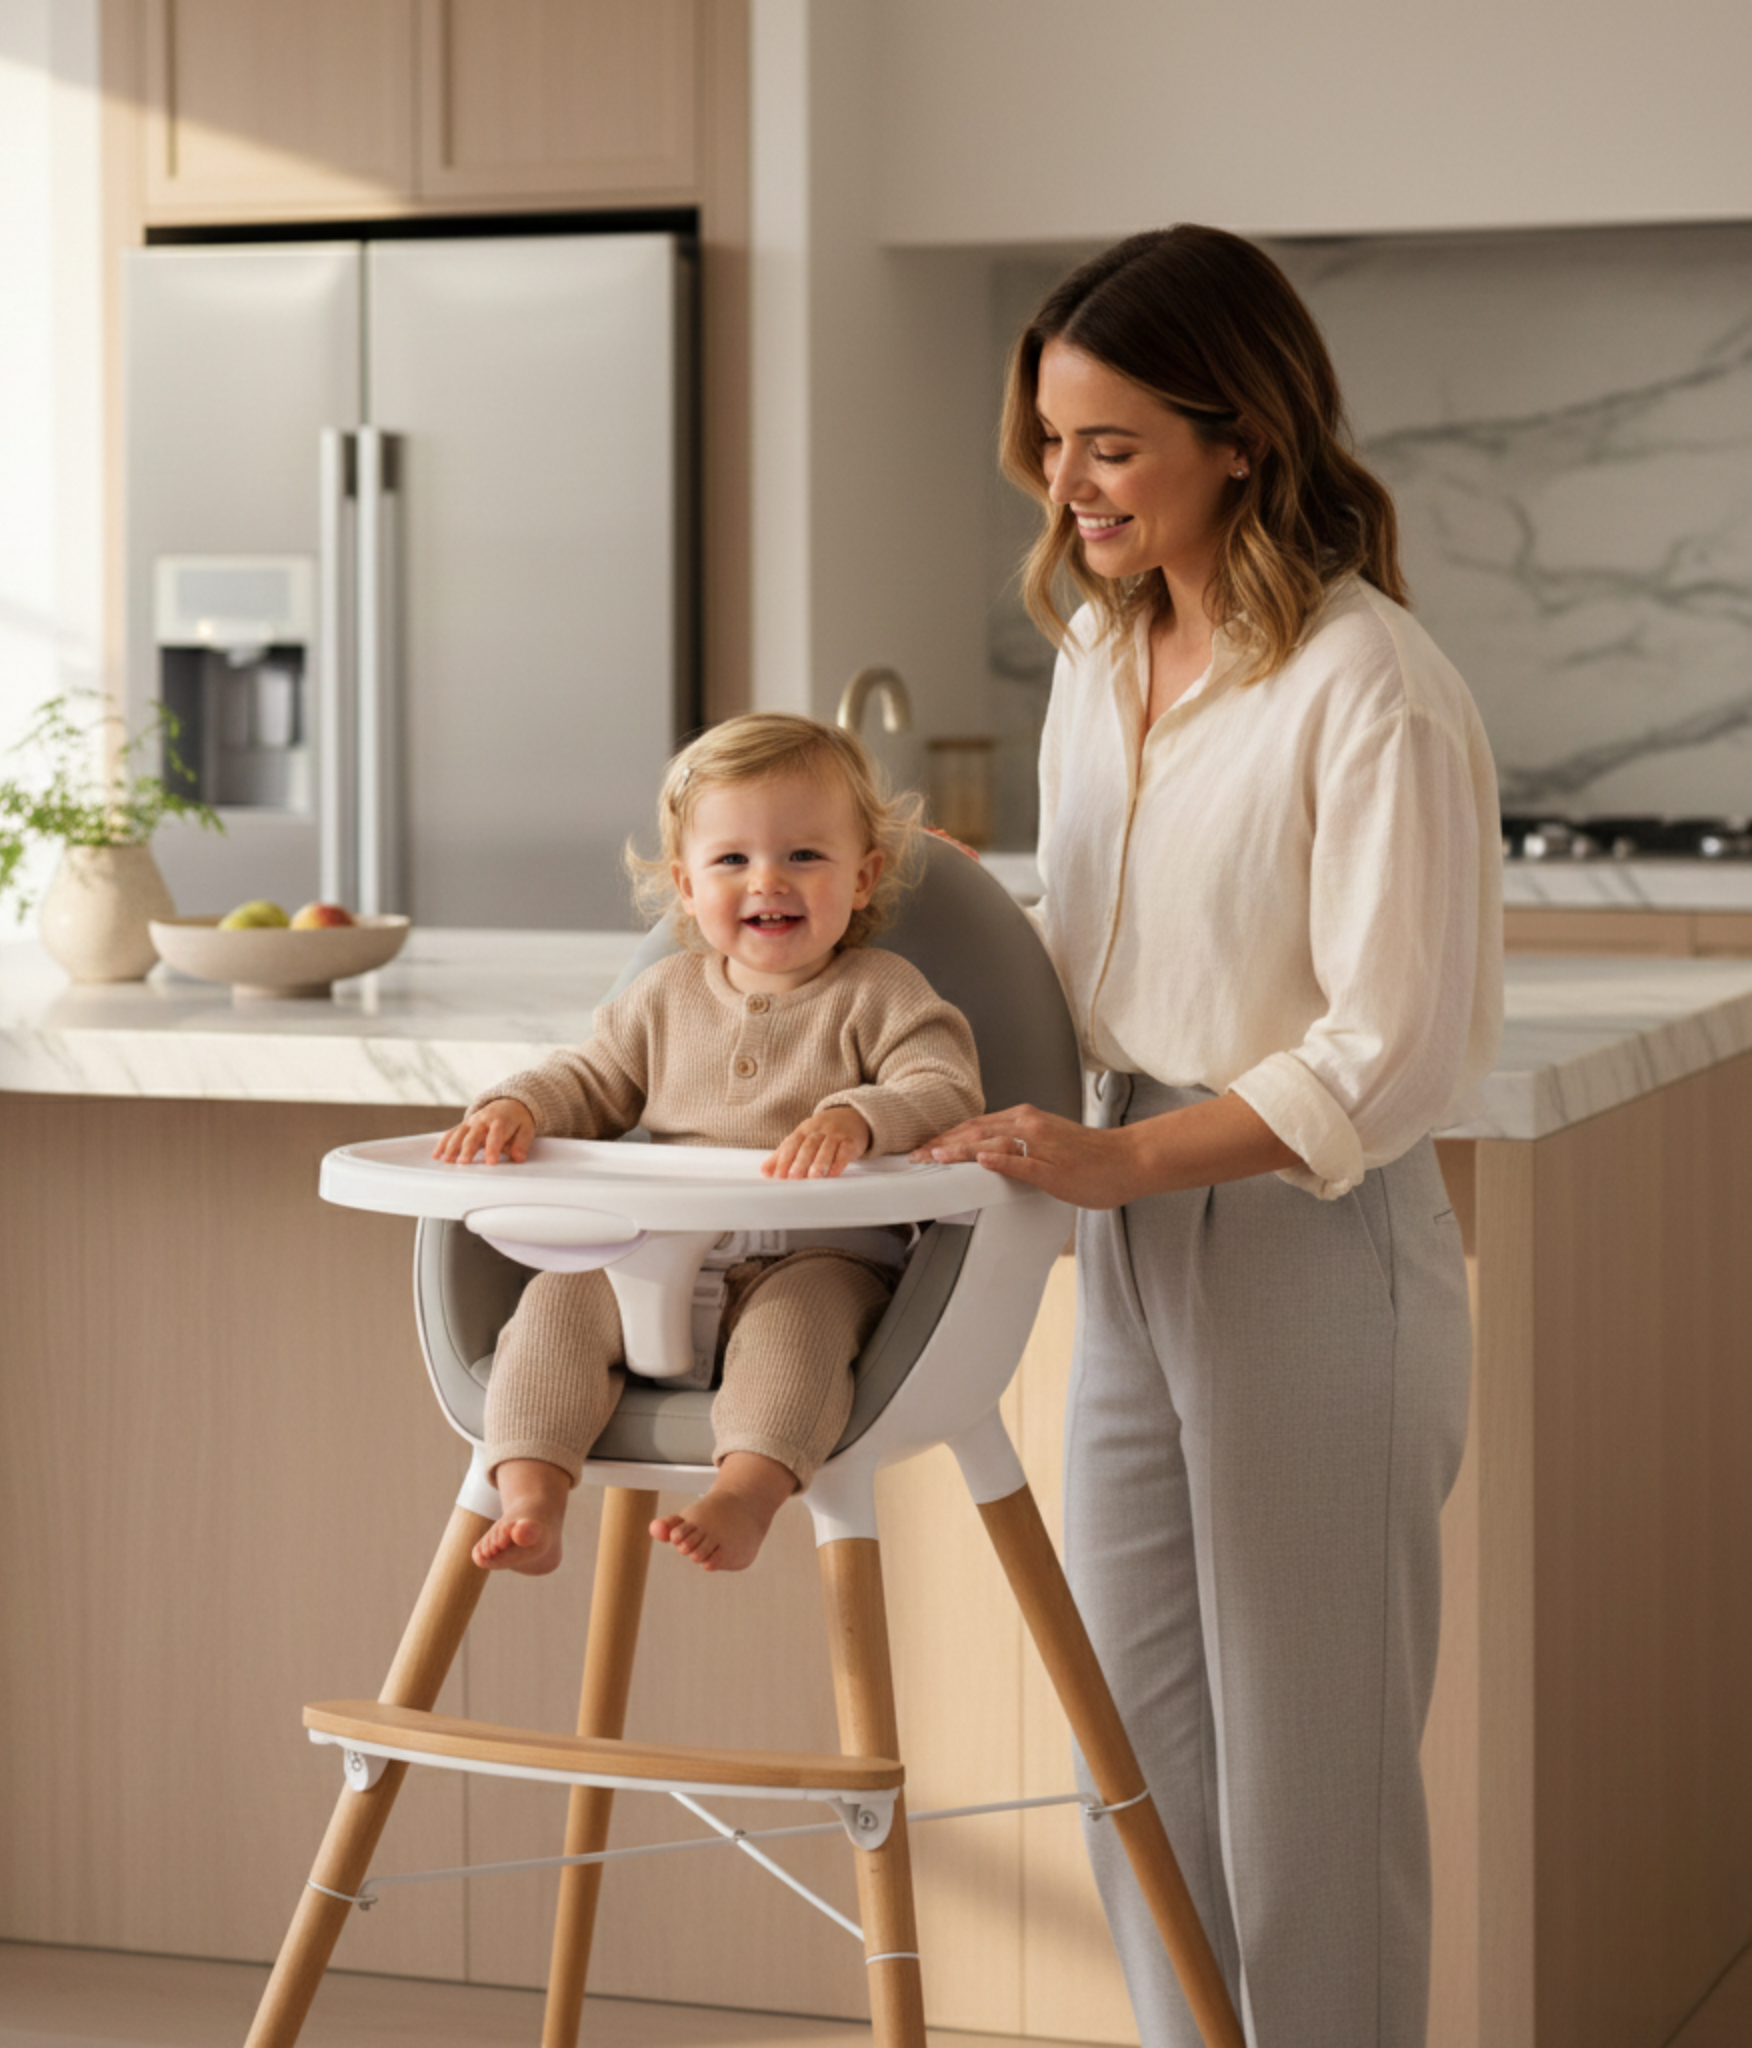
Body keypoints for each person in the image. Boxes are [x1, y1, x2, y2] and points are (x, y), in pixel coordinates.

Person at [916, 225, 1503, 2048]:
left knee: (1308, 1783)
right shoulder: (1101, 656)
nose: (1068, 485)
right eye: (1051, 441)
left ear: (1237, 433)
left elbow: (1391, 1043)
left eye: (1111, 444)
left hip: (1299, 1234)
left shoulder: (1366, 681)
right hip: (1121, 1220)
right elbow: (1101, 937)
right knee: (1138, 1746)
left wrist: (1127, 1165)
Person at [433, 713, 984, 1580]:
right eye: (733, 861)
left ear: (863, 875)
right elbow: (590, 1078)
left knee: (793, 1336)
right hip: (648, 1262)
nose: (769, 879)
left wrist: (858, 1118)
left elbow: (943, 1088)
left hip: (817, 1257)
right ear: (686, 887)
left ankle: (749, 1492)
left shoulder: (881, 993)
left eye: (805, 855)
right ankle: (534, 1493)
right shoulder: (663, 998)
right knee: (552, 1309)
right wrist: (519, 1108)